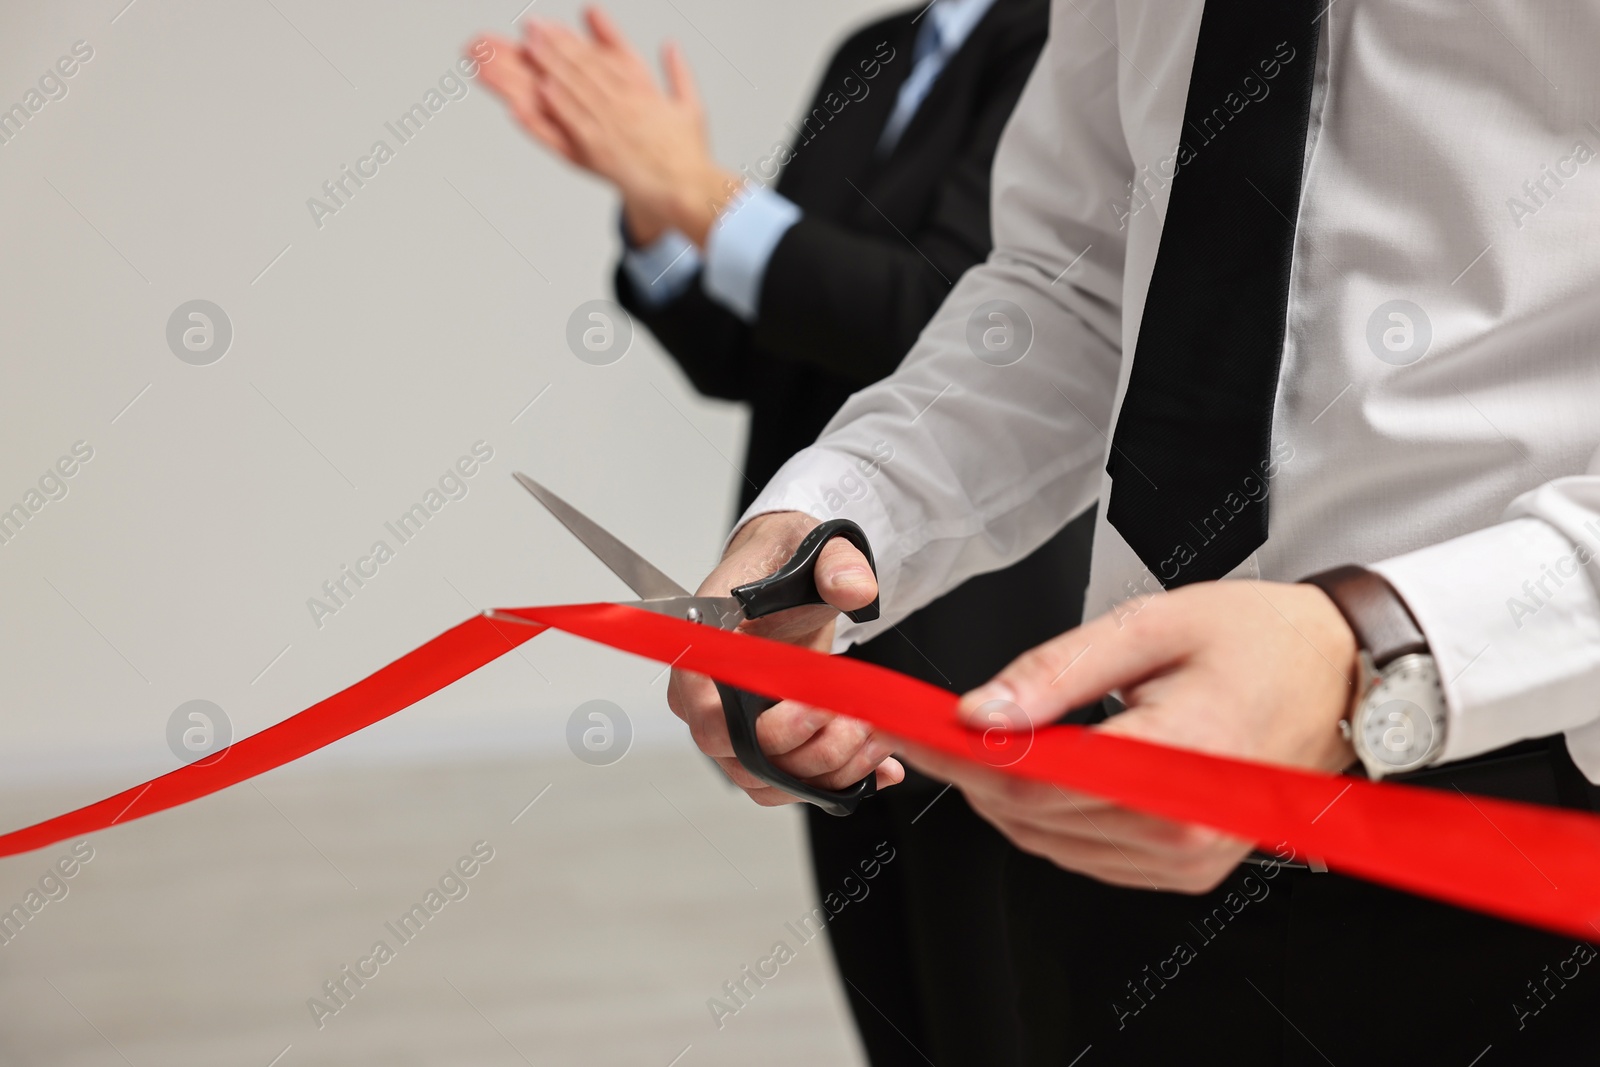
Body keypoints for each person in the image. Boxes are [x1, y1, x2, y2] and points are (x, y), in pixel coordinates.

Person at [663, 0, 1600, 1062]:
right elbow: (1079, 283)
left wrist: (1369, 657)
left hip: (1542, 844)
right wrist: (844, 511)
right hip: (1124, 842)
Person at [471, 5, 1092, 1064]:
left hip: (983, 637)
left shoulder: (1067, 35)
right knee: (900, 1014)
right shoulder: (872, 55)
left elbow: (944, 324)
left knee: (1005, 1012)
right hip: (807, 633)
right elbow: (755, 342)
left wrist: (704, 198)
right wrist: (657, 208)